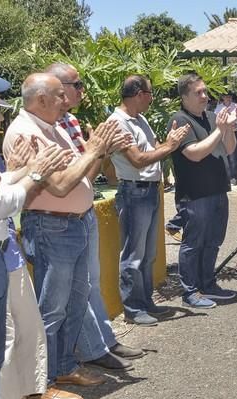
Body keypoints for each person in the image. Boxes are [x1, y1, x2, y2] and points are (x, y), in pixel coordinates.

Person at [2, 73, 128, 399]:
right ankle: (41, 383)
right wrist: (95, 149)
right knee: (52, 308)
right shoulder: (24, 133)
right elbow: (58, 185)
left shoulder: (54, 126)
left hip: (71, 224)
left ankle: (63, 367)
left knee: (75, 301)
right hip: (51, 227)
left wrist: (97, 153)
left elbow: (80, 177)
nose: (66, 100)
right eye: (59, 95)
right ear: (40, 98)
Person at [46, 62, 145, 370]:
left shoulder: (71, 123)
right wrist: (97, 149)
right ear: (58, 89)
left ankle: (102, 343)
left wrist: (100, 151)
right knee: (60, 301)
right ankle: (74, 361)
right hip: (57, 221)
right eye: (77, 85)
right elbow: (63, 181)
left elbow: (87, 173)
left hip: (82, 213)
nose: (82, 90)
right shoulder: (42, 126)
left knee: (90, 283)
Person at [0, 78, 72, 399]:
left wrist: (23, 171)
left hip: (0, 253)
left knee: (1, 347)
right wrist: (35, 172)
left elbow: (0, 191)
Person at [108, 75, 190, 325]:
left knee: (147, 254)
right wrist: (171, 146)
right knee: (133, 254)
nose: (152, 99)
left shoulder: (139, 119)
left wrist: (167, 144)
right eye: (150, 93)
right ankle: (133, 308)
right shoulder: (118, 123)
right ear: (138, 94)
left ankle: (145, 302)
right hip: (134, 191)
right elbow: (138, 159)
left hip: (149, 190)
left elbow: (154, 147)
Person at [168, 73, 237, 309]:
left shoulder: (211, 117)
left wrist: (227, 129)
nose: (205, 96)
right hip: (194, 195)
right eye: (198, 92)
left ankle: (207, 283)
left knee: (214, 241)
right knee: (193, 243)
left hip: (218, 189)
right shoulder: (179, 120)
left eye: (205, 91)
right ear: (184, 97)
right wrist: (219, 130)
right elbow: (194, 153)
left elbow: (229, 149)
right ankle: (190, 290)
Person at [215, 93, 237, 186]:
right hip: (222, 132)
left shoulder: (236, 106)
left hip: (234, 132)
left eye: (229, 97)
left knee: (232, 155)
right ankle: (225, 177)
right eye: (226, 97)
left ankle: (233, 177)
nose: (228, 99)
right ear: (223, 98)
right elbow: (215, 119)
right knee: (223, 155)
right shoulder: (219, 107)